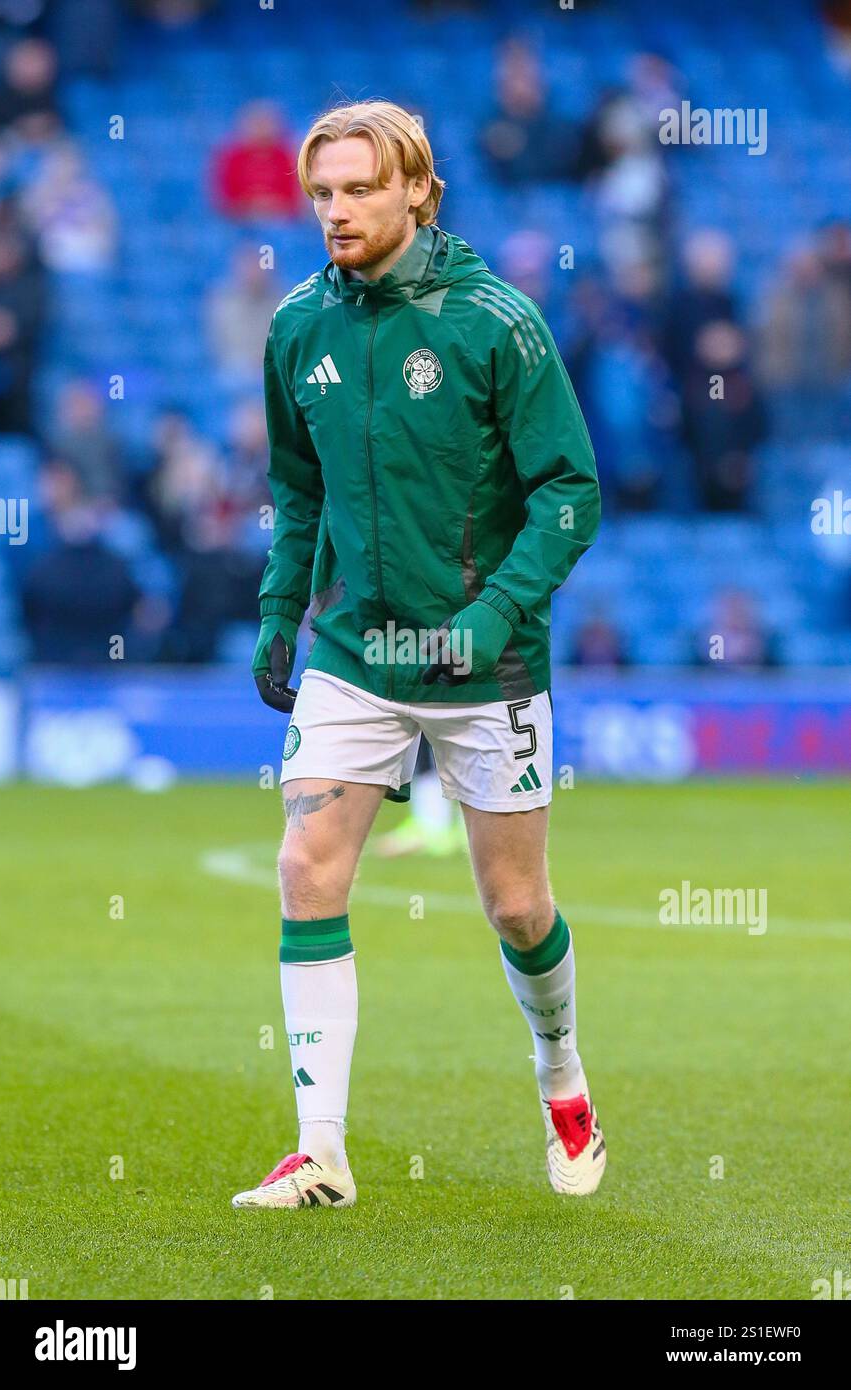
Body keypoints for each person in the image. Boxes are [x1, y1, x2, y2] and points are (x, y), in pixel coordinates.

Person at [231, 101, 604, 1212]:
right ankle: (321, 1150)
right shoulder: (298, 326)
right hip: (358, 647)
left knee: (515, 905)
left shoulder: (495, 321)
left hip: (486, 659)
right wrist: (275, 607)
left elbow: (570, 494)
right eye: (321, 194)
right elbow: (297, 489)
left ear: (415, 192)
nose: (335, 212)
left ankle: (562, 1077)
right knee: (306, 865)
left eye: (356, 190)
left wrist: (495, 613)